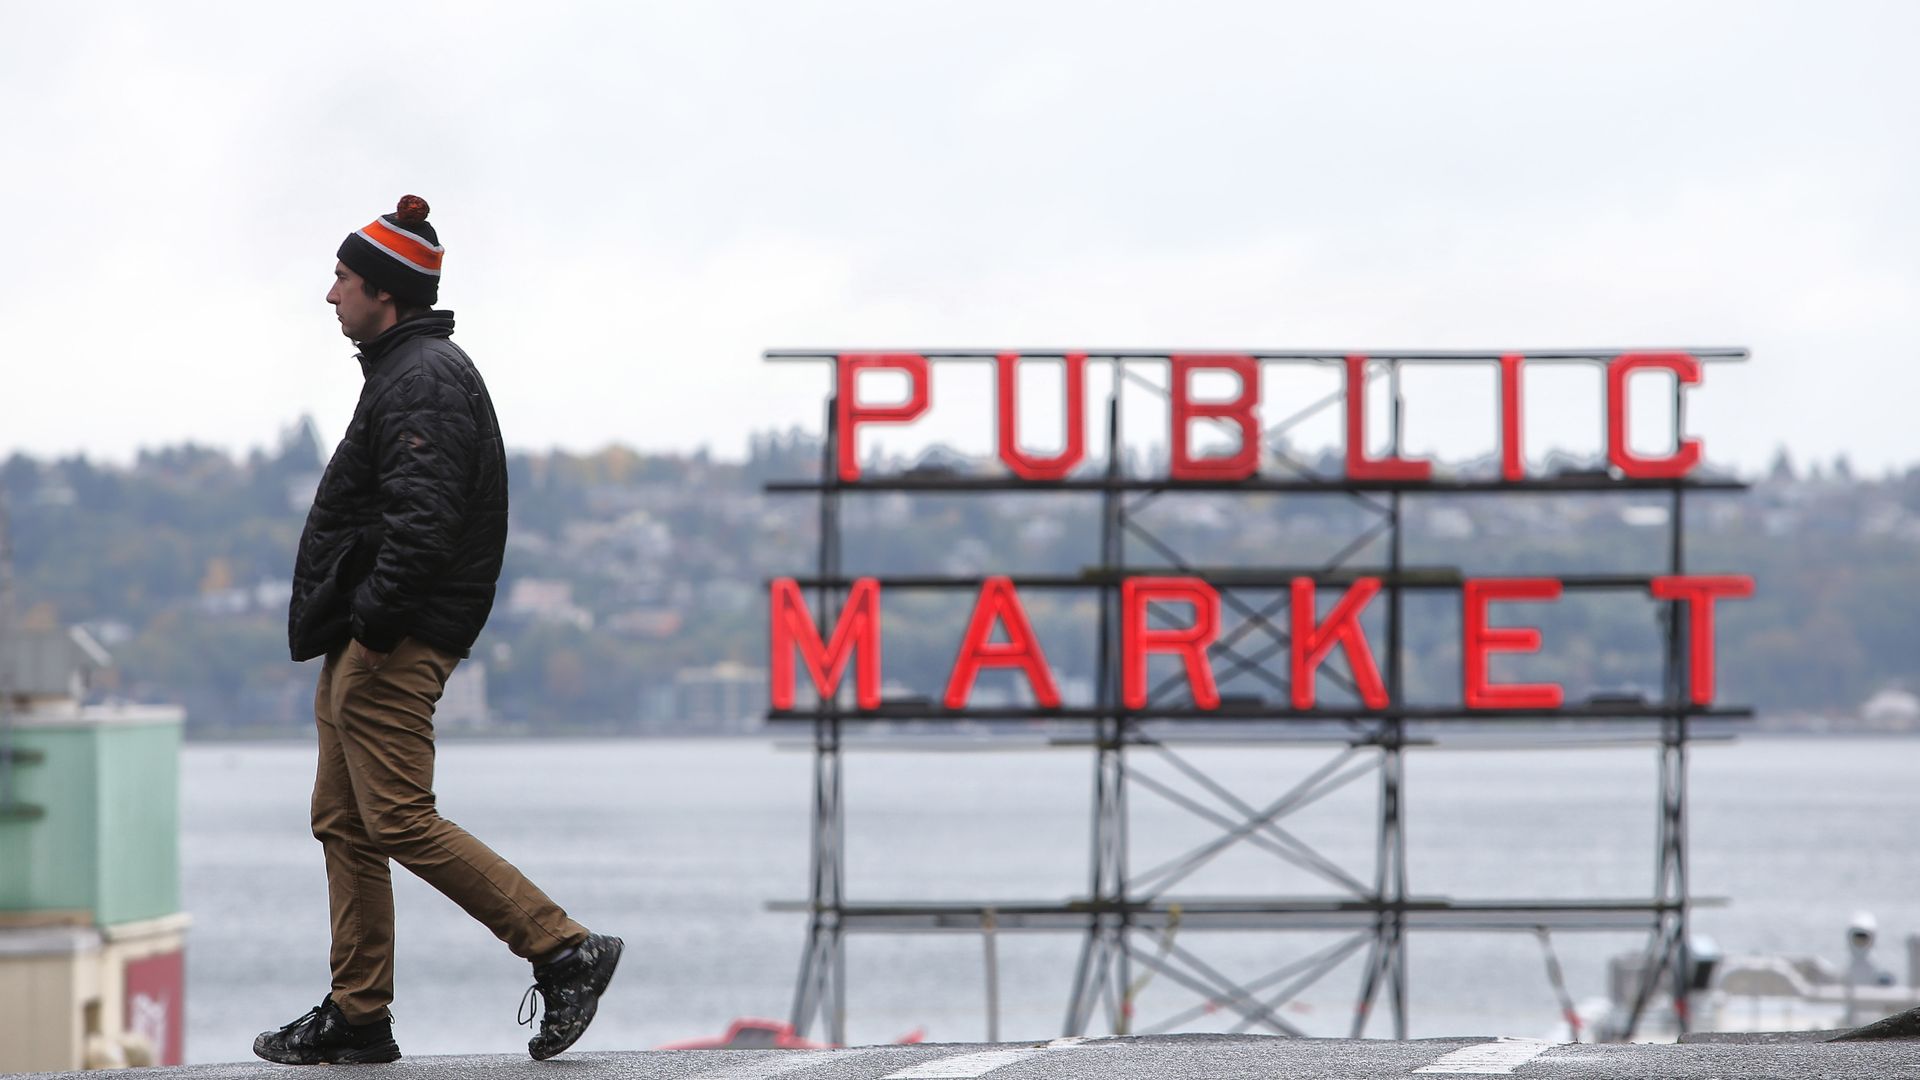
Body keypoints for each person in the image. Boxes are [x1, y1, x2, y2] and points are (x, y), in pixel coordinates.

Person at [256, 195, 621, 1065]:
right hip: (367, 632)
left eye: (343, 276)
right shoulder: (405, 370)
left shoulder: (422, 377)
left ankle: (563, 949)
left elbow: (424, 524)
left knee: (398, 818)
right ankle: (358, 1014)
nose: (331, 293)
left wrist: (376, 630)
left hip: (393, 635)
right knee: (344, 820)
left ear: (383, 290)